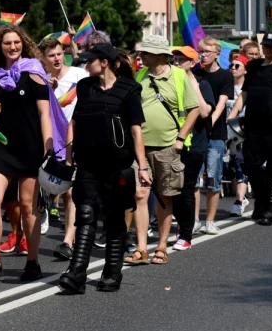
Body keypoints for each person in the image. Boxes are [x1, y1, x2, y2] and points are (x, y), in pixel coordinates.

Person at [59, 41, 148, 294]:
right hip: (87, 162)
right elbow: (74, 123)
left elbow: (135, 130)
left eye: (90, 61)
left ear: (105, 63)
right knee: (85, 213)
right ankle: (76, 274)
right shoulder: (85, 87)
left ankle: (112, 273)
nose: (86, 64)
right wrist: (68, 157)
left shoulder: (129, 90)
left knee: (114, 218)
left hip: (117, 165)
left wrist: (142, 167)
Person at [0, 26, 53, 282]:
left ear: (23, 44)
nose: (12, 46)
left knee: (27, 207)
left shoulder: (34, 72)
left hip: (31, 147)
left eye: (16, 42)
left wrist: (48, 147)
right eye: (7, 43)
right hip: (2, 147)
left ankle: (32, 262)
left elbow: (45, 113)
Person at [134, 35, 198, 264]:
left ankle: (161, 245)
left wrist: (181, 138)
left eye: (146, 53)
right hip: (140, 147)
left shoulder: (179, 76)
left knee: (164, 197)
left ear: (160, 55)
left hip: (169, 146)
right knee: (140, 194)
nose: (141, 57)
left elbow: (194, 109)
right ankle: (141, 248)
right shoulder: (140, 75)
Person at [230, 32, 272, 224]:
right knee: (251, 165)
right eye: (266, 45)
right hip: (253, 125)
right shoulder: (254, 66)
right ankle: (263, 200)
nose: (269, 49)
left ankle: (268, 211)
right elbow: (244, 95)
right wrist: (230, 119)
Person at [39, 35, 88, 260]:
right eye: (52, 55)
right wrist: (46, 90)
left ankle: (68, 240)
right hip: (53, 142)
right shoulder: (41, 80)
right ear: (44, 58)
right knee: (52, 188)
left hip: (78, 138)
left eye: (60, 54)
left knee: (70, 192)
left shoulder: (80, 75)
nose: (57, 58)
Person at [169, 46, 212, 251]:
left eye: (182, 60)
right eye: (175, 59)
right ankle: (180, 224)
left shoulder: (202, 84)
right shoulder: (170, 81)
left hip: (194, 145)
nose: (177, 62)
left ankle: (185, 234)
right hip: (170, 142)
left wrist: (192, 84)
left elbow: (204, 112)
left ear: (192, 64)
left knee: (186, 189)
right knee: (170, 190)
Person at [196, 37, 234, 233]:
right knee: (194, 178)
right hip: (195, 133)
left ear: (217, 54)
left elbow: (222, 103)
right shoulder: (196, 72)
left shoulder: (225, 76)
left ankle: (209, 220)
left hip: (215, 133)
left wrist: (210, 122)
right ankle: (194, 220)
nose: (203, 55)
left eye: (207, 52)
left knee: (212, 177)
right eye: (201, 51)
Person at [227, 55, 250, 215]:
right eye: (232, 65)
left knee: (242, 165)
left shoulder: (249, 89)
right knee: (231, 167)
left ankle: (239, 201)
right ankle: (240, 195)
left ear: (245, 70)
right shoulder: (226, 86)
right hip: (226, 130)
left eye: (237, 66)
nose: (233, 68)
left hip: (244, 131)